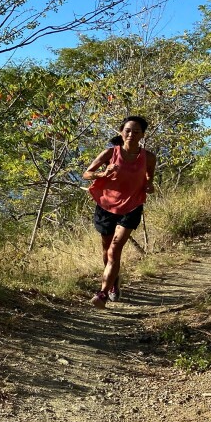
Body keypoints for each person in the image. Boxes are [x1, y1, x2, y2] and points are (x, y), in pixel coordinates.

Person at [82, 116, 156, 308]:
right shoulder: (109, 153)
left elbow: (149, 177)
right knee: (107, 251)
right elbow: (87, 173)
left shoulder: (148, 157)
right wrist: (103, 174)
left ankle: (102, 293)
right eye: (128, 130)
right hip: (106, 205)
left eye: (136, 131)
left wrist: (149, 185)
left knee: (115, 249)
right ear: (121, 132)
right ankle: (114, 282)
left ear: (142, 135)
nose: (131, 134)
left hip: (131, 207)